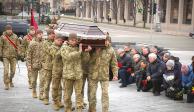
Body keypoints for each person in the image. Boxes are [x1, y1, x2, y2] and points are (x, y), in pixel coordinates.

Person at [60, 33, 91, 112]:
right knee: (67, 94)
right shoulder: (64, 47)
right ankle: (68, 108)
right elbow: (67, 57)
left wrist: (86, 52)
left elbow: (85, 60)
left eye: (75, 40)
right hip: (68, 75)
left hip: (78, 75)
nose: (74, 42)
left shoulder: (79, 48)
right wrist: (79, 51)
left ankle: (79, 108)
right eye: (72, 40)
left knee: (79, 94)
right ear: (68, 40)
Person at [88, 36, 118, 112]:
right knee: (92, 94)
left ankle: (105, 110)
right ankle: (92, 109)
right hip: (93, 75)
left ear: (109, 42)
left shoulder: (111, 50)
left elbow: (114, 63)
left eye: (107, 41)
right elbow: (89, 61)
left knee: (105, 94)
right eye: (104, 40)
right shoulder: (94, 48)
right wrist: (96, 52)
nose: (105, 42)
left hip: (104, 75)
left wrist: (115, 74)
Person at [0, 25, 20, 90]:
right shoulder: (2, 37)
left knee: (13, 71)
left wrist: (19, 53)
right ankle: (6, 83)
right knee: (6, 70)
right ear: (6, 30)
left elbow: (18, 45)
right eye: (8, 29)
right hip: (5, 56)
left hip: (13, 56)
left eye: (10, 29)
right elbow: (0, 46)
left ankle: (10, 80)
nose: (9, 30)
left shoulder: (15, 36)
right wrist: (0, 55)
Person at [26, 29, 43, 98]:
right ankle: (34, 91)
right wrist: (29, 64)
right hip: (34, 64)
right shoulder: (32, 43)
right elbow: (29, 55)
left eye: (42, 34)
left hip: (42, 65)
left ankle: (41, 94)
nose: (41, 36)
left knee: (42, 80)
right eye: (40, 34)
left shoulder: (44, 43)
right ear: (36, 35)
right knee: (33, 80)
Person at [49, 35, 64, 111]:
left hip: (64, 69)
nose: (60, 42)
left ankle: (59, 101)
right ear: (55, 40)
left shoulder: (63, 46)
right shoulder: (52, 47)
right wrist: (63, 47)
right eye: (58, 40)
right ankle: (55, 102)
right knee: (55, 86)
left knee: (61, 87)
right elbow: (56, 55)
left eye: (61, 40)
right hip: (56, 70)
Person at [42, 29, 55, 104]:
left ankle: (56, 100)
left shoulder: (56, 42)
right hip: (48, 66)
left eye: (54, 34)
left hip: (56, 66)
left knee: (57, 85)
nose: (53, 35)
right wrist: (55, 44)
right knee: (47, 83)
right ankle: (45, 98)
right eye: (52, 34)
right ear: (48, 35)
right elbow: (50, 51)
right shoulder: (45, 43)